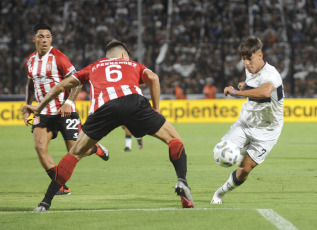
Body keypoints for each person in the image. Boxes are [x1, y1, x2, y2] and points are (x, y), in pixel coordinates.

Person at [24, 40, 194, 211]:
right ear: (123, 55)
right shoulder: (132, 64)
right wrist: (156, 111)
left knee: (75, 153)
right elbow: (154, 78)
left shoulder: (94, 66)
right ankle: (182, 181)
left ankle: (45, 202)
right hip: (133, 102)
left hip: (103, 108)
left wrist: (39, 106)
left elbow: (62, 85)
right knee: (173, 139)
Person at [22, 24, 109, 195]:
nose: (45, 40)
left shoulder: (59, 58)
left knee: (73, 151)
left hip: (64, 110)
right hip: (43, 112)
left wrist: (68, 101)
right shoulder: (30, 61)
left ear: (51, 39)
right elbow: (30, 85)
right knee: (40, 147)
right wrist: (28, 107)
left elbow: (78, 81)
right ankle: (60, 185)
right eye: (41, 36)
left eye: (48, 36)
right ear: (34, 39)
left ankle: (94, 148)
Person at [211, 36, 284, 204]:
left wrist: (236, 92)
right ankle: (236, 154)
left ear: (260, 55)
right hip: (246, 123)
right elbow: (255, 85)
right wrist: (246, 86)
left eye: (249, 58)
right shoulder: (249, 70)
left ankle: (220, 193)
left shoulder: (271, 74)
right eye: (243, 59)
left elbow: (266, 91)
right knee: (222, 151)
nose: (246, 63)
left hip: (268, 130)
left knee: (244, 169)